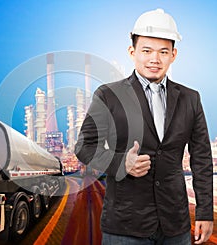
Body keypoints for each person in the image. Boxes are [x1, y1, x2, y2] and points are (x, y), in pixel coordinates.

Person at [75, 8, 213, 244]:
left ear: (174, 55)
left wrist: (204, 212)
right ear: (132, 52)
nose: (154, 59)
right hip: (125, 226)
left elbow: (201, 158)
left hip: (175, 224)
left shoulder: (191, 98)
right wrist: (120, 163)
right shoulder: (109, 95)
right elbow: (85, 146)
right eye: (146, 51)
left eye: (163, 52)